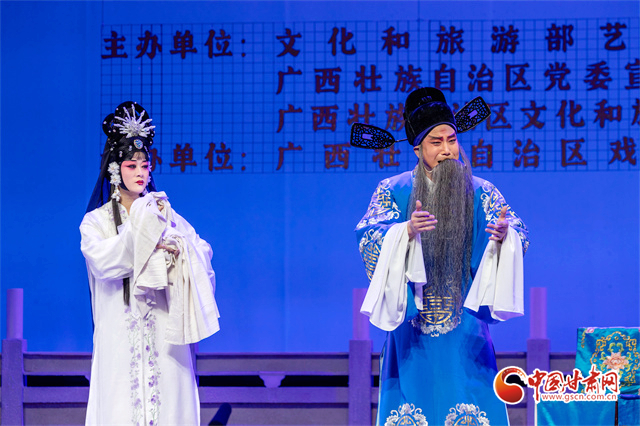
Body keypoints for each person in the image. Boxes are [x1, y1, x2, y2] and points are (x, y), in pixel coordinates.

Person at [355, 88, 529, 426]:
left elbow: (518, 231)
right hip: (411, 329)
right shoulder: (393, 190)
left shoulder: (482, 191)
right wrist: (405, 232)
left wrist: (504, 237)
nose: (447, 150)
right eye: (436, 142)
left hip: (466, 327)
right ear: (417, 148)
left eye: (452, 140)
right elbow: (369, 236)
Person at [81, 102, 220, 425]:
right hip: (119, 333)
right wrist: (145, 240)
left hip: (163, 333)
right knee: (119, 405)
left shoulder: (164, 214)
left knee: (169, 403)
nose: (140, 173)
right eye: (131, 165)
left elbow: (202, 251)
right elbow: (103, 263)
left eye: (145, 165)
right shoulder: (96, 222)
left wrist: (179, 250)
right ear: (115, 169)